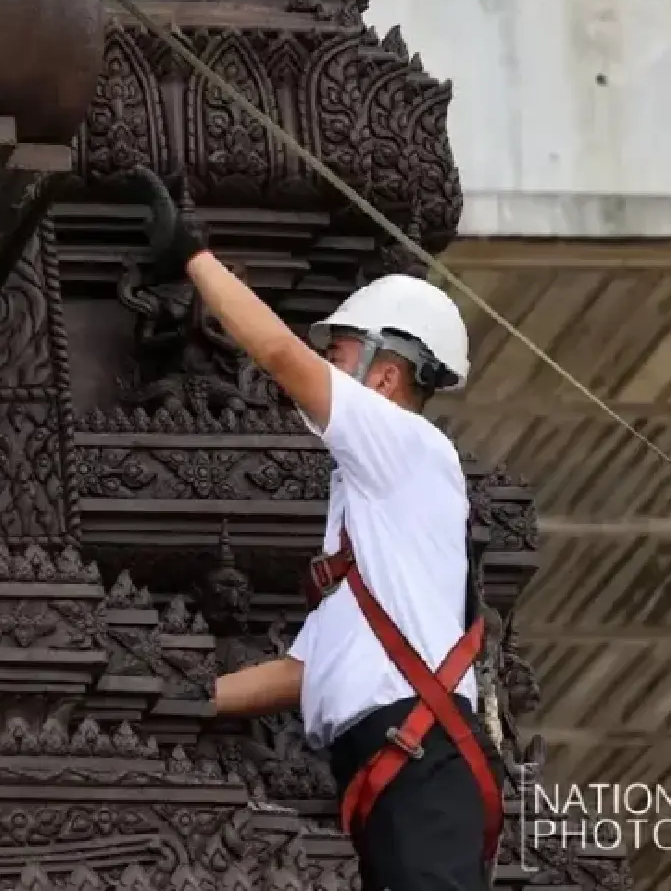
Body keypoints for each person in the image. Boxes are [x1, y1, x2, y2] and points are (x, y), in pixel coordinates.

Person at [130, 170, 503, 891]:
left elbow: (279, 357)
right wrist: (179, 693)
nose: (327, 362)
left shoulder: (405, 444)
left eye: (341, 350)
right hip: (395, 767)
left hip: (421, 764)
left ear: (387, 374)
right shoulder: (372, 505)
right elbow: (307, 673)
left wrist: (193, 258)